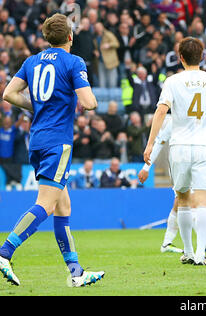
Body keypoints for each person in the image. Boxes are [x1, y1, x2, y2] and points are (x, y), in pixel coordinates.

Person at [0, 13, 104, 287]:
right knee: (46, 204)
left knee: (62, 204)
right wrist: (87, 98)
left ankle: (76, 273)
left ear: (47, 38)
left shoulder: (31, 61)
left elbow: (9, 94)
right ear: (70, 36)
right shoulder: (74, 61)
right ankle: (4, 252)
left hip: (37, 140)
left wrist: (40, 106)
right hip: (58, 141)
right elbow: (89, 103)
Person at [143, 37, 206, 266]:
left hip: (180, 147)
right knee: (203, 201)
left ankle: (187, 250)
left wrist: (150, 143)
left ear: (181, 58)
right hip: (205, 145)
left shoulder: (173, 81)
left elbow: (160, 112)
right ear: (203, 56)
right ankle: (199, 253)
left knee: (183, 199)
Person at [138, 116, 206, 254]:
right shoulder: (176, 120)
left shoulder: (200, 120)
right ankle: (199, 243)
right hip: (179, 164)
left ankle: (168, 242)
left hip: (196, 163)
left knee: (181, 203)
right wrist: (146, 168)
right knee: (187, 201)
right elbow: (160, 141)